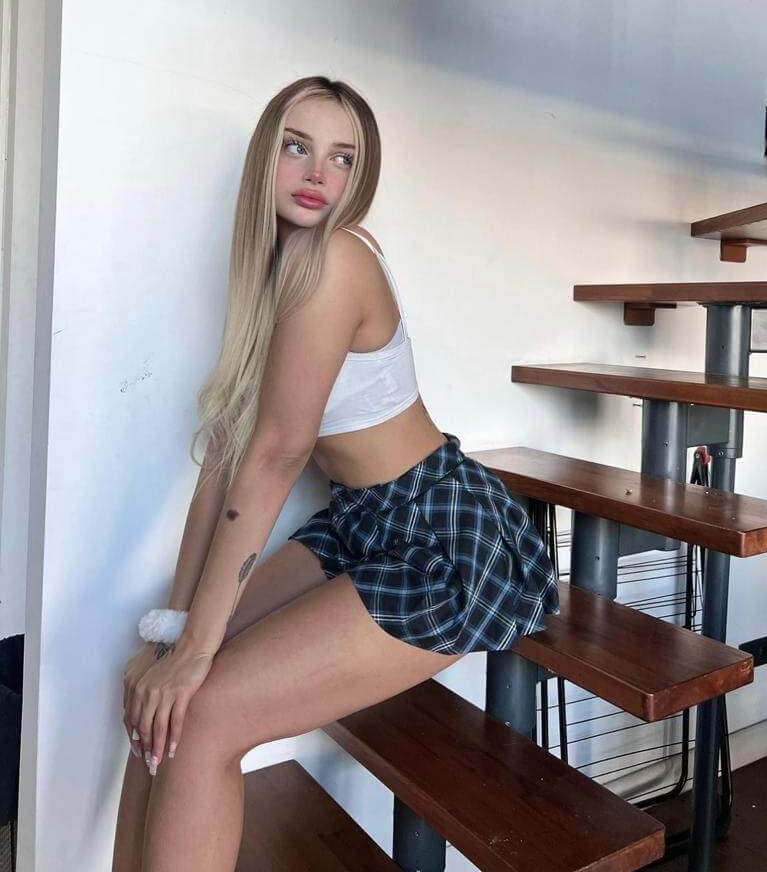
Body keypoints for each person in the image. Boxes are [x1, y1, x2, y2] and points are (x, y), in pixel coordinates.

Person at [111, 75, 558, 871]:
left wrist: (196, 655)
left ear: (361, 175)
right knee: (157, 694)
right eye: (298, 148)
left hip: (440, 532)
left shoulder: (335, 260)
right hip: (362, 522)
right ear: (266, 157)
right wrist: (174, 632)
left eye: (343, 158)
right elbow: (226, 459)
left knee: (200, 713)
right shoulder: (274, 271)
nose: (319, 174)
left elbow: (277, 455)